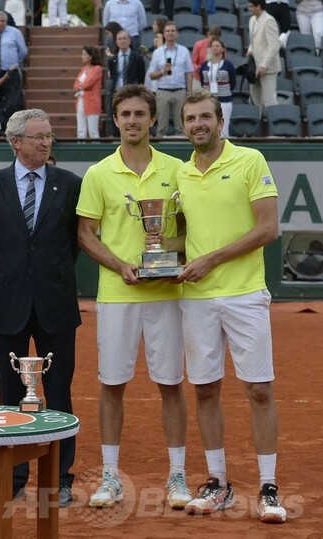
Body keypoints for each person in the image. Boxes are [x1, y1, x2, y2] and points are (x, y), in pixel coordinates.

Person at [75, 84, 191, 510]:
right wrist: (119, 265)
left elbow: (188, 233)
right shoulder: (98, 173)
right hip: (117, 294)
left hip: (166, 292)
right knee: (112, 384)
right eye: (125, 114)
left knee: (171, 384)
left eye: (140, 114)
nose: (132, 121)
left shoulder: (178, 169)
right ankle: (111, 477)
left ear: (153, 119)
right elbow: (86, 233)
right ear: (114, 119)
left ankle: (177, 476)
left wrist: (168, 251)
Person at [176, 89, 286, 524]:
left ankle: (269, 487)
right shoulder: (181, 174)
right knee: (205, 390)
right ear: (183, 126)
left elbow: (269, 228)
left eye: (206, 117)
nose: (198, 124)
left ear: (220, 122)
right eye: (190, 119)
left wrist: (210, 259)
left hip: (244, 294)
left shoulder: (250, 160)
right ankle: (217, 483)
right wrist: (161, 256)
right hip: (197, 300)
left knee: (259, 389)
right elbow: (181, 237)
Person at [0, 109, 80, 506]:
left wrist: (45, 275)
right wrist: (9, 275)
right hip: (7, 302)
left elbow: (72, 244)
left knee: (60, 393)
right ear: (15, 142)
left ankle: (60, 478)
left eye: (49, 136)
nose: (45, 142)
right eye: (37, 137)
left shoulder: (70, 185)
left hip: (56, 301)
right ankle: (12, 476)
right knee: (9, 394)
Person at [147, 21, 193, 137]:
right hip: (162, 91)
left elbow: (189, 72)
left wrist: (189, 92)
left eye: (173, 31)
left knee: (181, 126)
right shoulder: (157, 53)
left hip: (180, 91)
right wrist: (162, 71)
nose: (170, 33)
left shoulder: (184, 51)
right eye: (168, 31)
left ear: (177, 33)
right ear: (163, 34)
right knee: (161, 127)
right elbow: (151, 75)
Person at [246, 0, 280, 112]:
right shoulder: (252, 20)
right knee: (255, 99)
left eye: (251, 6)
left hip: (267, 68)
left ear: (259, 6)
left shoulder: (269, 21)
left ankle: (275, 127)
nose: (249, 9)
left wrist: (264, 65)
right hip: (254, 67)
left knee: (269, 100)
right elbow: (253, 40)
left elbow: (274, 46)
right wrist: (250, 50)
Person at [199, 38, 235, 138]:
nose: (215, 48)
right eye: (213, 46)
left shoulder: (228, 64)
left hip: (225, 99)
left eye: (217, 46)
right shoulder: (204, 65)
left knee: (224, 126)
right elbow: (203, 81)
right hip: (209, 99)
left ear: (223, 49)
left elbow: (232, 82)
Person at [73, 45, 103, 140]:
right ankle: (81, 151)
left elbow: (87, 84)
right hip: (81, 100)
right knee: (81, 130)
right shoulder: (84, 69)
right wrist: (80, 86)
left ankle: (97, 152)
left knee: (92, 130)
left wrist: (80, 86)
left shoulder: (97, 69)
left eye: (84, 54)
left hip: (92, 102)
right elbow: (75, 85)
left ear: (91, 56)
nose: (82, 56)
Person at [107, 30, 147, 98]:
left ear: (129, 40)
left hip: (132, 93)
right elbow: (112, 77)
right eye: (119, 39)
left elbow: (141, 78)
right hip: (117, 92)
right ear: (116, 42)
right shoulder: (112, 59)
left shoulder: (138, 58)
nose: (122, 41)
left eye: (124, 38)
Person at [191, 26, 222, 91]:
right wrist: (198, 68)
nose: (213, 42)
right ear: (208, 35)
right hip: (198, 78)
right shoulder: (198, 45)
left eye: (216, 40)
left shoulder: (221, 47)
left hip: (214, 79)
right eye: (212, 39)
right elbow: (193, 62)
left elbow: (223, 62)